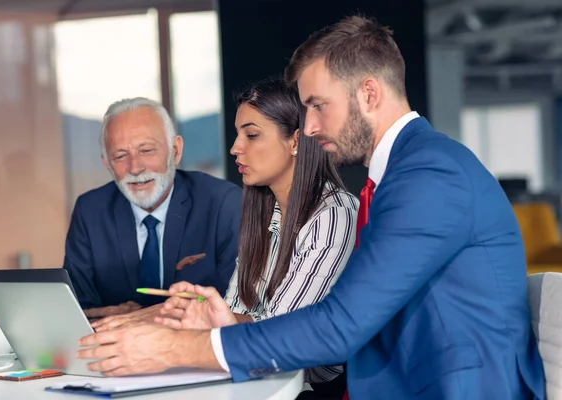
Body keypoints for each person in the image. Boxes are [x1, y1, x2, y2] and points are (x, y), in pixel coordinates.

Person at [77, 16, 545, 399]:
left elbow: (340, 325)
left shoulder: (430, 176)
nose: (312, 127)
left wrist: (177, 349)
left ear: (369, 94)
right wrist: (222, 325)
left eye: (318, 106)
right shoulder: (406, 172)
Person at [92, 79, 357, 395]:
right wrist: (196, 315)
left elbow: (282, 335)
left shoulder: (333, 213)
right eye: (237, 134)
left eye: (252, 135)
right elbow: (237, 310)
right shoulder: (261, 213)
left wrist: (173, 341)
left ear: (296, 140)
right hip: (259, 380)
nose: (235, 147)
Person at [64, 97, 241, 316]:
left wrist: (140, 318)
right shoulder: (90, 211)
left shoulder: (224, 203)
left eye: (146, 150)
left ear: (175, 150)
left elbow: (237, 308)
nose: (135, 168)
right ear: (107, 164)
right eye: (120, 156)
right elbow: (77, 309)